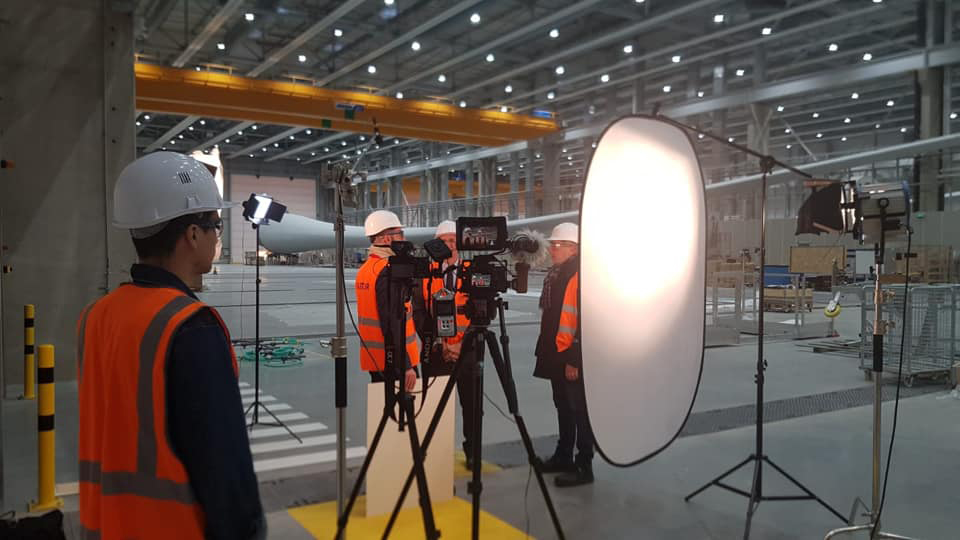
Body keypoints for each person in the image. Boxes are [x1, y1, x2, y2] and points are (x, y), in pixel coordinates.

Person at [77, 152, 265, 539]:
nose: (218, 235)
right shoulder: (190, 327)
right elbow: (223, 469)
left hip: (105, 527)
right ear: (192, 235)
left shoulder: (95, 316)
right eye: (215, 224)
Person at [534, 222, 594, 487]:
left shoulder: (581, 275)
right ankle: (564, 455)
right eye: (553, 244)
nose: (552, 249)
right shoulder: (558, 274)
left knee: (578, 409)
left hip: (570, 354)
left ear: (574, 249)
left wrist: (575, 358)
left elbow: (585, 321)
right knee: (563, 406)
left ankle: (584, 465)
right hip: (556, 351)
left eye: (558, 245)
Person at [418, 220, 478, 469]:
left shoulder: (472, 271)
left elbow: (481, 313)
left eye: (454, 241)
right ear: (436, 244)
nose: (450, 246)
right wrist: (441, 344)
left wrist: (461, 344)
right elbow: (419, 315)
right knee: (435, 408)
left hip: (468, 351)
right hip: (436, 351)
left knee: (472, 407)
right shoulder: (425, 273)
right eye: (445, 241)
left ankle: (472, 451)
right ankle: (436, 455)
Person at [355, 210, 419, 390]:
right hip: (395, 361)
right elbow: (392, 321)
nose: (403, 238)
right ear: (386, 239)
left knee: (384, 412)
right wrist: (405, 365)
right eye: (400, 233)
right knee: (404, 415)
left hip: (376, 359)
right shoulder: (387, 270)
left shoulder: (367, 269)